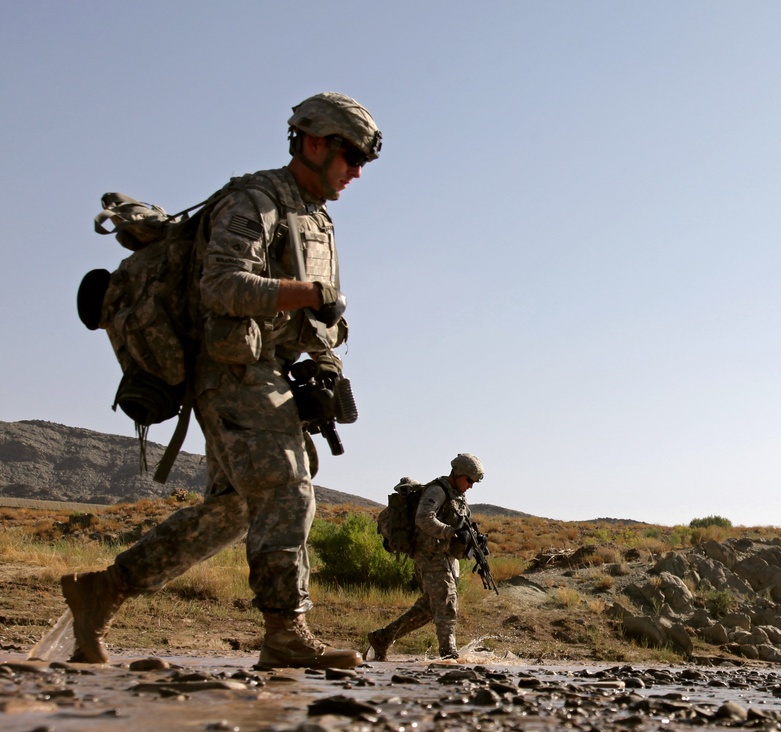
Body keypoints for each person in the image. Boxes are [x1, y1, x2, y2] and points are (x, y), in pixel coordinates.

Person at [61, 92, 382, 669]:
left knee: (234, 509)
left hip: (268, 368)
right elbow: (222, 287)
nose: (357, 171)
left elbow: (316, 316)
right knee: (287, 485)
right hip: (230, 370)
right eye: (351, 156)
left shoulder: (315, 218)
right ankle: (285, 633)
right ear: (314, 143)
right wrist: (308, 294)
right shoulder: (254, 200)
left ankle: (103, 591)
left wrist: (326, 365)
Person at [366, 454, 485, 661]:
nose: (471, 486)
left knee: (430, 607)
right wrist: (449, 532)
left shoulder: (458, 496)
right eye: (469, 480)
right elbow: (423, 518)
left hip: (444, 557)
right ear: (457, 474)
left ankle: (383, 637)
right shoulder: (437, 491)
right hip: (430, 555)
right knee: (447, 601)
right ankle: (449, 654)